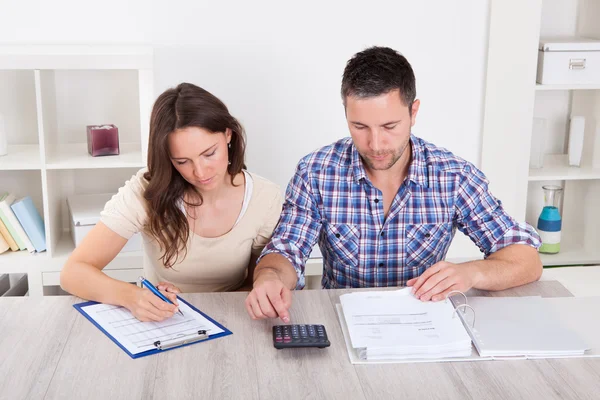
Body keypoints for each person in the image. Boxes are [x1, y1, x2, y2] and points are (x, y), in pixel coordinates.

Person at [245, 46, 542, 323]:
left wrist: (472, 272)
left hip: (425, 326)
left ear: (413, 113)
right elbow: (286, 250)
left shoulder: (453, 176)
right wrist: (269, 277)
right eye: (359, 127)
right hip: (343, 323)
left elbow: (526, 260)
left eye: (389, 126)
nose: (375, 144)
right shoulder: (316, 172)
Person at [61, 83, 282, 322]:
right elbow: (73, 272)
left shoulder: (264, 197)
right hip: (163, 322)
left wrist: (210, 307)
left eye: (209, 154)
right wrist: (133, 297)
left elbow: (259, 281)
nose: (200, 172)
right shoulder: (147, 191)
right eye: (182, 161)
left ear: (228, 135)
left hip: (234, 318)